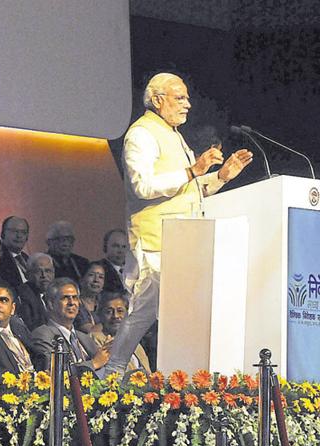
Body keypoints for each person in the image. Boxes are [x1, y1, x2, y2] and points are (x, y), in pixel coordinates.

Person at [105, 72, 253, 374]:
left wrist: (222, 175)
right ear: (158, 100)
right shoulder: (142, 135)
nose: (187, 104)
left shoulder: (172, 135)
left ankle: (129, 373)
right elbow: (142, 186)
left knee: (150, 316)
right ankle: (114, 372)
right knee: (143, 316)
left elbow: (191, 189)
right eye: (180, 98)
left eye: (187, 97)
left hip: (183, 245)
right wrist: (192, 169)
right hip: (157, 244)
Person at [31, 278, 109, 376]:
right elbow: (53, 373)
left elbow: (103, 364)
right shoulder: (43, 334)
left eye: (75, 297)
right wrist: (93, 363)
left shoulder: (84, 337)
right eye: (65, 298)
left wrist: (109, 350)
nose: (72, 302)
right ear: (50, 304)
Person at [98, 291, 150, 373]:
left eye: (120, 311)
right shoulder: (95, 339)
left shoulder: (135, 344)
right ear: (101, 315)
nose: (115, 316)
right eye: (109, 312)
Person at [15, 253, 54, 331]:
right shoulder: (23, 295)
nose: (44, 275)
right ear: (28, 274)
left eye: (48, 271)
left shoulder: (56, 292)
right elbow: (32, 328)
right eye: (38, 271)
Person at [74, 262, 108, 344]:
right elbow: (91, 331)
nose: (96, 280)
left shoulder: (105, 302)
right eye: (91, 275)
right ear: (81, 279)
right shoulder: (75, 304)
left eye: (101, 277)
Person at [97, 229, 137, 293]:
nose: (120, 251)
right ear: (105, 247)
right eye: (116, 246)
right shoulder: (99, 269)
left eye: (124, 247)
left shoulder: (134, 270)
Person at [0, 216, 30, 289]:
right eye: (14, 231)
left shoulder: (27, 259)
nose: (19, 236)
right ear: (3, 233)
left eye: (23, 232)